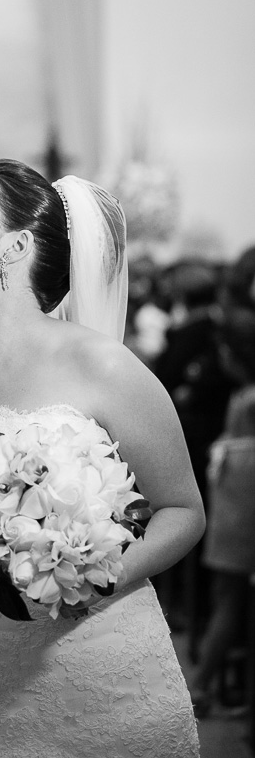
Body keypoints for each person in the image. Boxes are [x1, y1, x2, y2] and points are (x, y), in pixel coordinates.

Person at [0, 159, 204, 758]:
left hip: (101, 667)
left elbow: (182, 510)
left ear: (15, 245)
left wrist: (85, 581)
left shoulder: (102, 366)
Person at [190, 307, 255, 717]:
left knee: (229, 597)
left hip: (241, 509)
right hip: (232, 506)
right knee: (227, 596)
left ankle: (202, 685)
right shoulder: (242, 395)